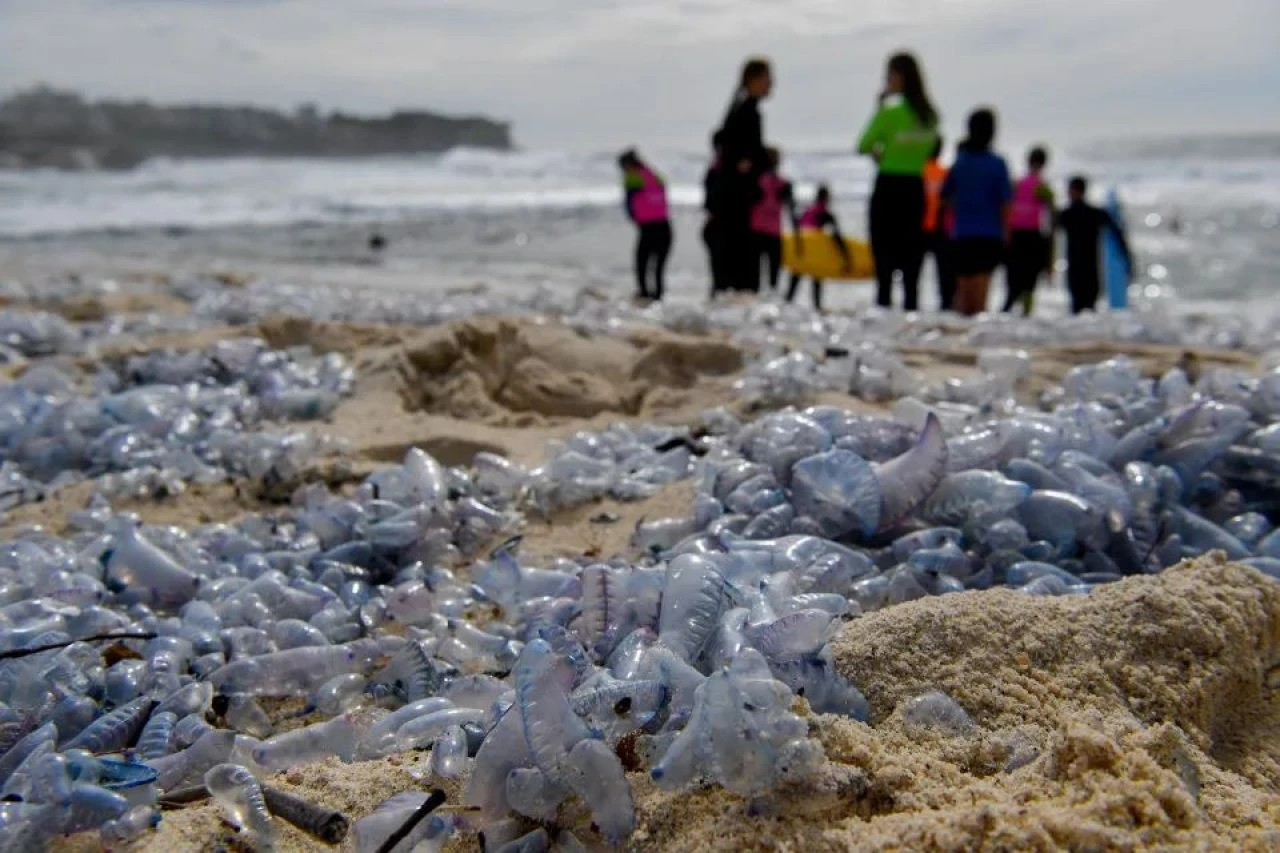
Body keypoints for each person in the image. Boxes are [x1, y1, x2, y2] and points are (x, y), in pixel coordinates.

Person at [857, 51, 940, 312]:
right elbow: (929, 151)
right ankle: (911, 315)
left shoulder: (891, 112)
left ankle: (883, 312)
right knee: (911, 263)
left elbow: (863, 145)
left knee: (884, 260)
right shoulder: (930, 116)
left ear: (899, 76)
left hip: (889, 187)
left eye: (889, 74)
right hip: (915, 190)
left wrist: (879, 110)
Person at [941, 107, 1011, 316]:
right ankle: (976, 344)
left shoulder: (959, 163)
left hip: (962, 233)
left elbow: (945, 199)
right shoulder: (997, 164)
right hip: (988, 234)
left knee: (963, 296)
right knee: (980, 300)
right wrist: (1007, 233)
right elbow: (1005, 204)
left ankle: (961, 341)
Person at [717, 57, 774, 292]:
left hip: (735, 197)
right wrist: (756, 160)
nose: (771, 85)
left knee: (738, 260)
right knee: (743, 262)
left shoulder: (739, 107)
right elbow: (730, 149)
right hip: (739, 199)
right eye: (767, 79)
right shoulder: (747, 111)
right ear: (753, 79)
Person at [1058, 175, 1132, 314]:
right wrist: (1126, 256)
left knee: (1076, 308)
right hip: (1091, 268)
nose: (1067, 193)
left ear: (1076, 191)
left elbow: (1047, 233)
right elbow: (1118, 232)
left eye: (1069, 190)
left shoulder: (1066, 214)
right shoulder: (1095, 213)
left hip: (1075, 269)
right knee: (1090, 307)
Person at [1003, 146, 1056, 315]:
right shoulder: (1043, 188)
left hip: (1016, 235)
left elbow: (1006, 210)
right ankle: (1025, 315)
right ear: (1044, 164)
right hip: (1034, 237)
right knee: (1029, 282)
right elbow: (1051, 218)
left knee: (1014, 281)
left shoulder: (1016, 184)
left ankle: (1007, 312)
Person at [785, 185, 851, 312]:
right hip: (814, 254)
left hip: (801, 251)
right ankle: (817, 307)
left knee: (795, 280)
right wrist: (846, 257)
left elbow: (796, 227)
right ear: (826, 198)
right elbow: (837, 237)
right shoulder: (825, 214)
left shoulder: (807, 211)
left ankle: (787, 304)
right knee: (817, 280)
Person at [618, 149, 673, 301]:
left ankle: (643, 293)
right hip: (665, 225)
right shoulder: (654, 175)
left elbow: (629, 203)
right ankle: (658, 296)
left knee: (641, 261)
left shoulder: (632, 177)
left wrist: (633, 217)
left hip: (648, 227)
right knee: (658, 266)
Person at [750, 147, 797, 293]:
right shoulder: (782, 184)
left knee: (756, 276)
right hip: (770, 232)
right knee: (772, 277)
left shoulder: (755, 181)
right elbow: (791, 210)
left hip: (758, 231)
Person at [921, 137, 955, 311]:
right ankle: (945, 307)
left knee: (911, 278)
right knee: (945, 275)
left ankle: (911, 310)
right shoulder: (946, 173)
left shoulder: (918, 172)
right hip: (941, 229)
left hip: (920, 228)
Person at [702, 131, 728, 298]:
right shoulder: (720, 169)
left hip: (715, 226)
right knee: (721, 273)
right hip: (719, 227)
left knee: (719, 272)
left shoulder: (715, 168)